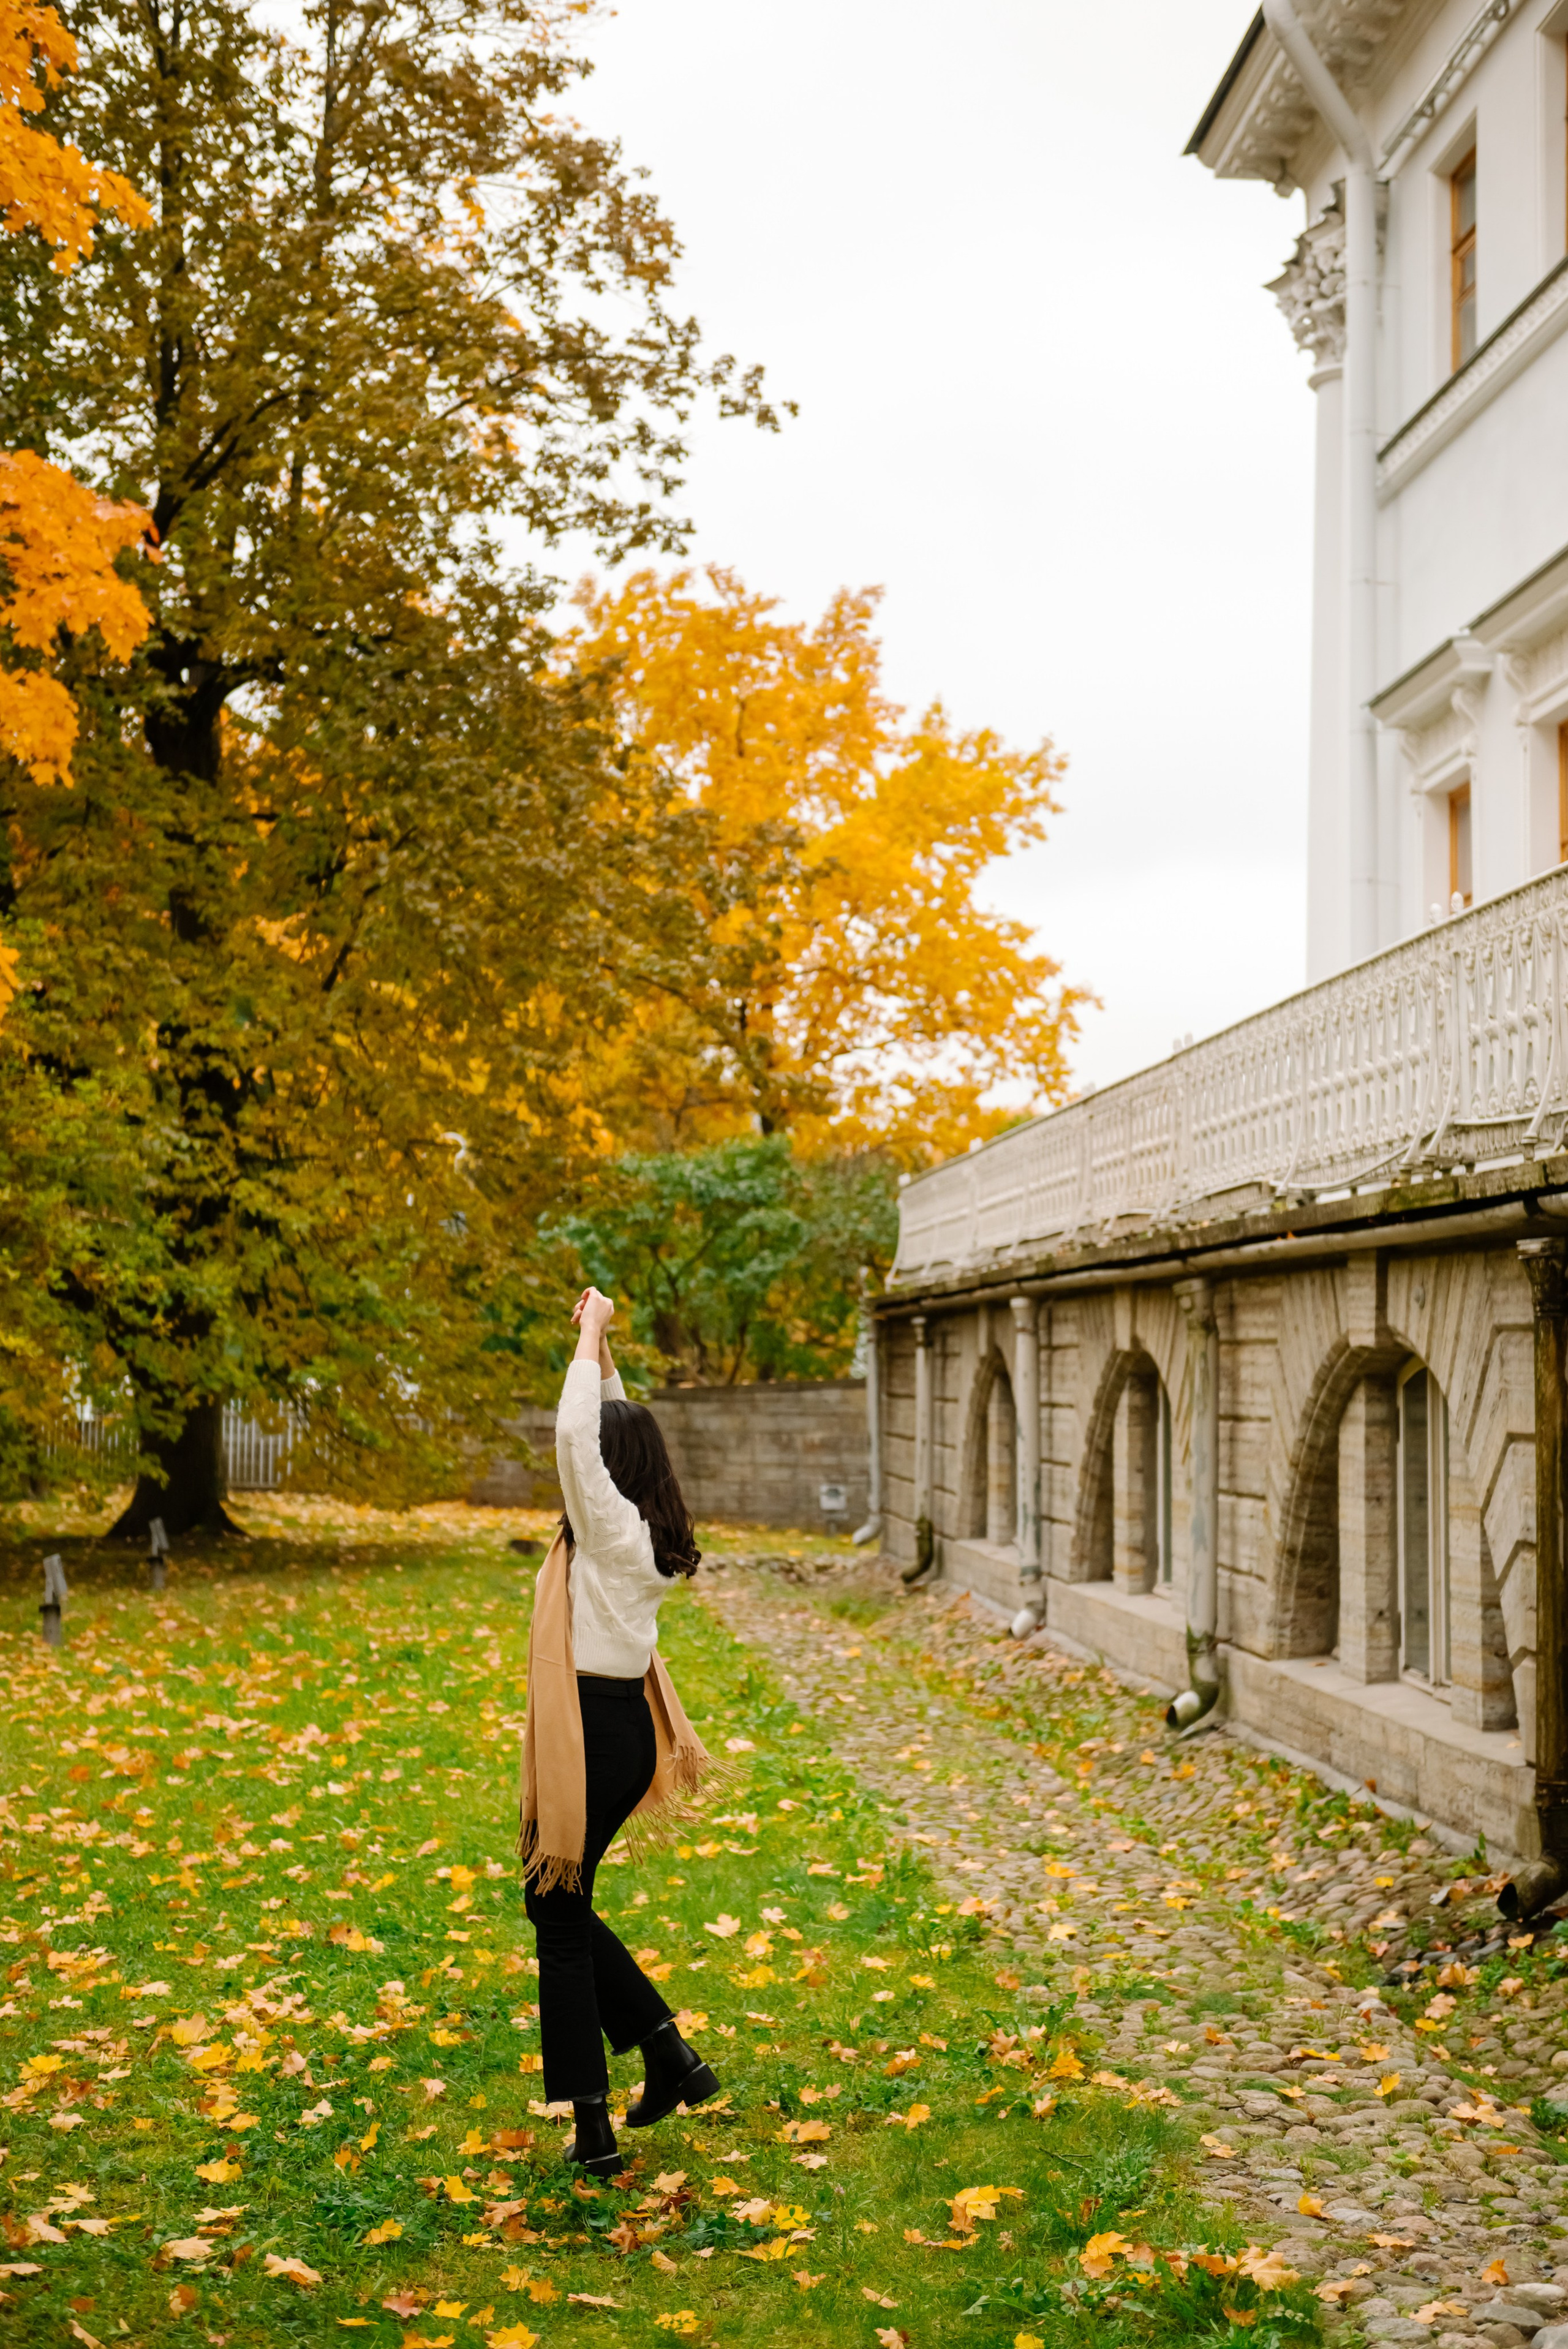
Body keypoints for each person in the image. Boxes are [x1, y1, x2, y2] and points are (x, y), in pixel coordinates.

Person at [517, 1286, 722, 2177]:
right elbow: (607, 1433)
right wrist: (602, 1365)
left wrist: (594, 1332)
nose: (590, 1468)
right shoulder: (641, 1526)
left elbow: (574, 1442)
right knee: (558, 1903)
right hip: (614, 1725)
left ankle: (595, 2123)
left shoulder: (609, 1533)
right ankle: (668, 2057)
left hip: (595, 1734)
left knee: (555, 1911)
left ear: (615, 1471)